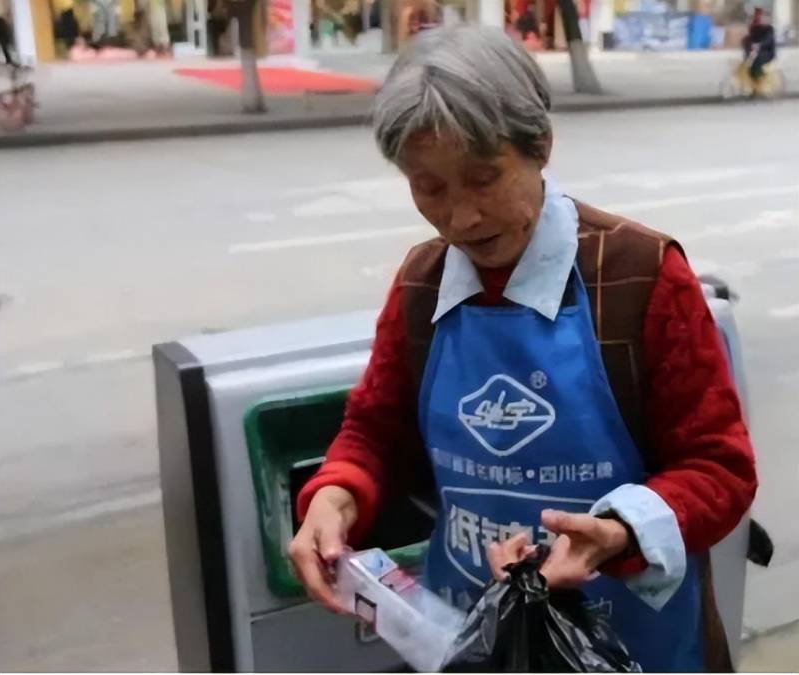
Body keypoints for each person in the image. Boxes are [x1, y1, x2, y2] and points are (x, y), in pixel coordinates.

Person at [289, 25, 756, 673]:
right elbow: (375, 430)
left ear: (539, 146)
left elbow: (719, 470)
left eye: (483, 179)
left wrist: (617, 532)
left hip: (627, 644)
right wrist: (334, 497)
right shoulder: (423, 284)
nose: (461, 218)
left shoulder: (640, 274)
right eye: (430, 187)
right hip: (472, 639)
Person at [742, 7, 776, 85]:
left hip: (767, 53)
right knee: (749, 60)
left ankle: (758, 78)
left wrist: (759, 45)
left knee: (756, 59)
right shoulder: (755, 28)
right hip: (757, 52)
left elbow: (769, 40)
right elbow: (752, 39)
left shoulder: (769, 29)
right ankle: (753, 78)